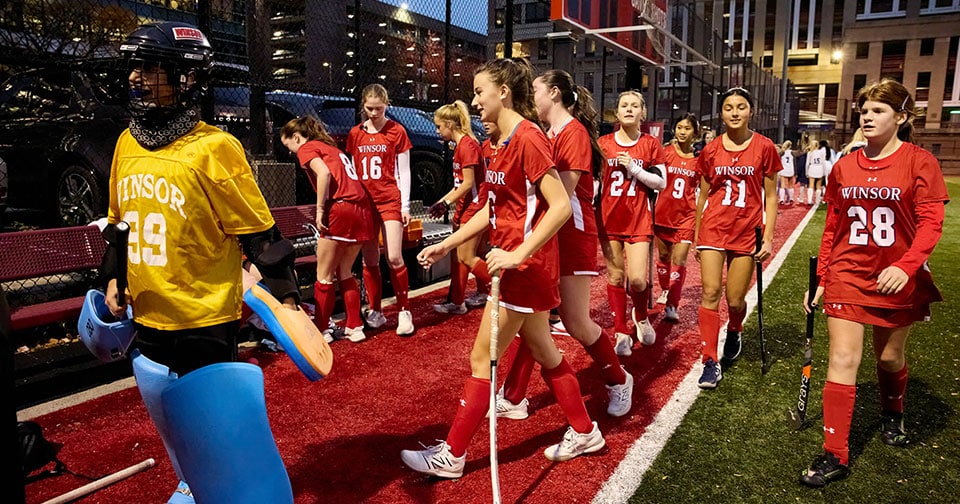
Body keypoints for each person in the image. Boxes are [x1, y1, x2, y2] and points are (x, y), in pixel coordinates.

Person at [104, 22, 298, 502]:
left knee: (218, 427)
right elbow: (118, 223)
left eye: (148, 68)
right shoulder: (125, 143)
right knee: (171, 420)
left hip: (203, 319)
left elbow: (258, 232)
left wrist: (289, 301)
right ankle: (190, 481)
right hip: (148, 314)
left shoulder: (215, 149)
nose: (135, 77)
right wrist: (112, 275)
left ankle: (216, 485)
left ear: (184, 76)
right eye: (134, 66)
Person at [402, 58, 605, 478]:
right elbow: (491, 210)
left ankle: (453, 456)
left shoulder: (528, 138)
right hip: (516, 265)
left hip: (524, 268)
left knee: (481, 358)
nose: (474, 101)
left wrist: (517, 254)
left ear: (504, 92)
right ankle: (585, 430)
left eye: (479, 92)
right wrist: (448, 244)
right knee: (546, 352)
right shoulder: (500, 142)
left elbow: (562, 206)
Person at [799, 79, 948, 488]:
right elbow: (833, 226)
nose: (867, 116)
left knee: (888, 359)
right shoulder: (844, 166)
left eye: (878, 110)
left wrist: (907, 265)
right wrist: (823, 277)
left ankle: (893, 410)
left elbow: (932, 223)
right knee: (843, 359)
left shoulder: (920, 162)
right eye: (864, 109)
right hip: (849, 272)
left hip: (897, 275)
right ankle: (835, 454)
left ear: (901, 117)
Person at [493, 69, 633, 420]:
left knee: (575, 322)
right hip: (549, 235)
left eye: (537, 91)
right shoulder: (547, 133)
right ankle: (513, 395)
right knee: (532, 316)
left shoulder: (573, 134)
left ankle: (619, 379)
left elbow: (560, 198)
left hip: (570, 236)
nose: (532, 98)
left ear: (554, 93)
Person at [693, 87, 780, 389]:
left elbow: (771, 196)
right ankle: (709, 361)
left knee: (735, 298)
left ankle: (735, 327)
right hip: (713, 229)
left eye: (741, 107)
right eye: (728, 107)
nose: (734, 112)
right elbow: (702, 196)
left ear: (750, 111)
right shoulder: (710, 150)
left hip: (746, 230)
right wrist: (696, 237)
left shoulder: (765, 147)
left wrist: (768, 239)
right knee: (710, 292)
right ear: (721, 113)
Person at [280, 116, 373, 343]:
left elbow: (324, 173)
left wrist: (320, 209)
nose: (291, 152)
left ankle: (321, 329)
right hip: (361, 209)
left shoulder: (307, 148)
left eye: (288, 145)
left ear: (296, 137)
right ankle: (354, 326)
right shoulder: (332, 148)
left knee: (324, 275)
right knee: (346, 271)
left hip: (339, 207)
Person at [596, 90, 667, 356]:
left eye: (634, 105)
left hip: (638, 219)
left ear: (642, 113)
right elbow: (595, 180)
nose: (628, 109)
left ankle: (640, 315)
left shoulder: (650, 144)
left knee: (637, 280)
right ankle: (620, 330)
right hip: (609, 218)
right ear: (617, 113)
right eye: (623, 105)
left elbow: (661, 182)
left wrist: (635, 169)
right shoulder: (603, 143)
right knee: (615, 275)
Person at [347, 84, 415, 336]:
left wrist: (405, 204)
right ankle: (375, 310)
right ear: (363, 106)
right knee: (369, 258)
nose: (374, 113)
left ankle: (404, 310)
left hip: (389, 199)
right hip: (365, 202)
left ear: (386, 105)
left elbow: (404, 170)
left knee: (394, 256)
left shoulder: (397, 131)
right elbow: (353, 168)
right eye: (369, 108)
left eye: (379, 108)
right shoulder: (356, 133)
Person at [429, 100, 492, 314]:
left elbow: (467, 183)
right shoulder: (464, 144)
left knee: (464, 256)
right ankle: (474, 295)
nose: (437, 130)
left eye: (439, 126)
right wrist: (442, 202)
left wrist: (446, 202)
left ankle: (498, 291)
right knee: (476, 254)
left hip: (474, 208)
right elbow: (461, 184)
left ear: (450, 124)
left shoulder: (467, 145)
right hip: (472, 206)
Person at [653, 113, 700, 323]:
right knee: (663, 257)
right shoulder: (665, 154)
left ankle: (672, 303)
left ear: (695, 134)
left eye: (687, 128)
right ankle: (664, 289)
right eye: (680, 127)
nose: (682, 131)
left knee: (679, 260)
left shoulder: (699, 161)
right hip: (663, 214)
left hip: (686, 217)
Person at [805, 139, 827, 205]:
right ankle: (817, 201)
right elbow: (824, 162)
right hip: (820, 168)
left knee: (811, 185)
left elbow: (807, 163)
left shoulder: (810, 153)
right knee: (819, 186)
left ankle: (809, 200)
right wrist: (824, 172)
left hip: (812, 168)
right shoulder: (822, 152)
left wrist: (806, 172)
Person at [778, 140, 797, 205]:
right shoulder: (792, 153)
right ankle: (791, 198)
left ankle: (781, 199)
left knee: (782, 185)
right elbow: (794, 163)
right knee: (790, 185)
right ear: (790, 146)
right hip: (790, 170)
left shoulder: (782, 153)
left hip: (783, 170)